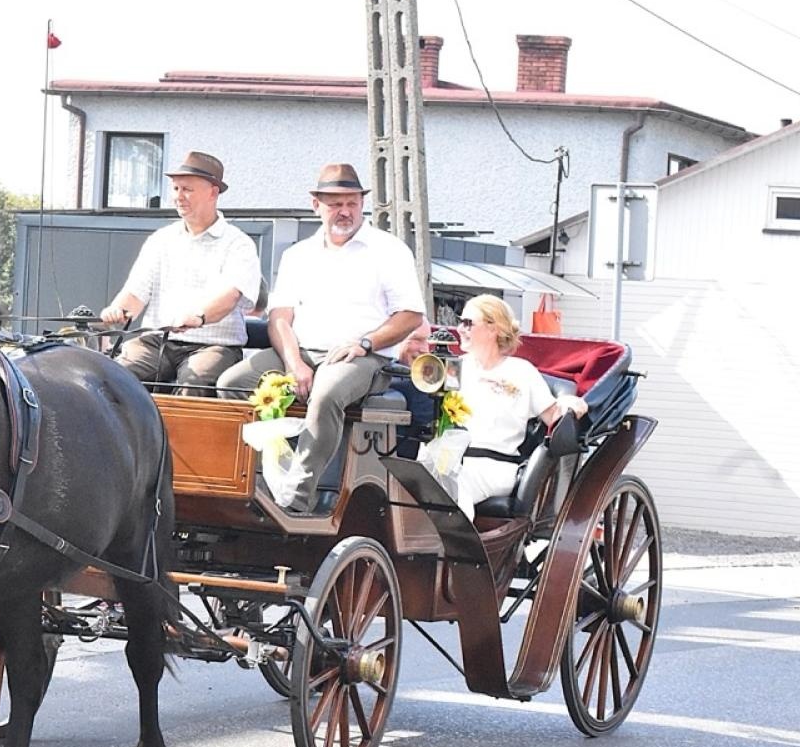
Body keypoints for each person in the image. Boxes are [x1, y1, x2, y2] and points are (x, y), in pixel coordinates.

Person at [217, 163, 426, 513]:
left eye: (352, 203)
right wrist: (293, 362)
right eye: (335, 204)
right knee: (232, 383)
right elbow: (280, 318)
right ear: (316, 205)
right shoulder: (297, 254)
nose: (345, 211)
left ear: (362, 204)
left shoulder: (388, 250)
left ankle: (297, 498)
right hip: (302, 350)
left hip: (362, 356)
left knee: (326, 394)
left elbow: (411, 315)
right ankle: (255, 481)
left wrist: (365, 343)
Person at [99, 151, 261, 396]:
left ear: (213, 192)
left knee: (193, 384)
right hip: (157, 341)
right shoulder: (161, 239)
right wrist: (116, 310)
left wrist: (199, 317)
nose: (178, 196)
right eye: (175, 189)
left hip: (213, 346)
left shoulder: (238, 243)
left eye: (187, 189)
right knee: (115, 377)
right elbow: (135, 292)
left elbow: (230, 296)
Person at [440, 295, 588, 518]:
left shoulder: (521, 371)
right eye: (460, 322)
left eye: (468, 323)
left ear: (494, 328)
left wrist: (567, 401)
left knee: (453, 486)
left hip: (494, 467)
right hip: (450, 460)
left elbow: (552, 416)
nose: (460, 329)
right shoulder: (455, 367)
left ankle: (454, 538)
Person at [390, 322, 438, 460]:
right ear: (395, 338)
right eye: (417, 339)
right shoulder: (412, 384)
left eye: (427, 341)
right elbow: (447, 428)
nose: (424, 349)